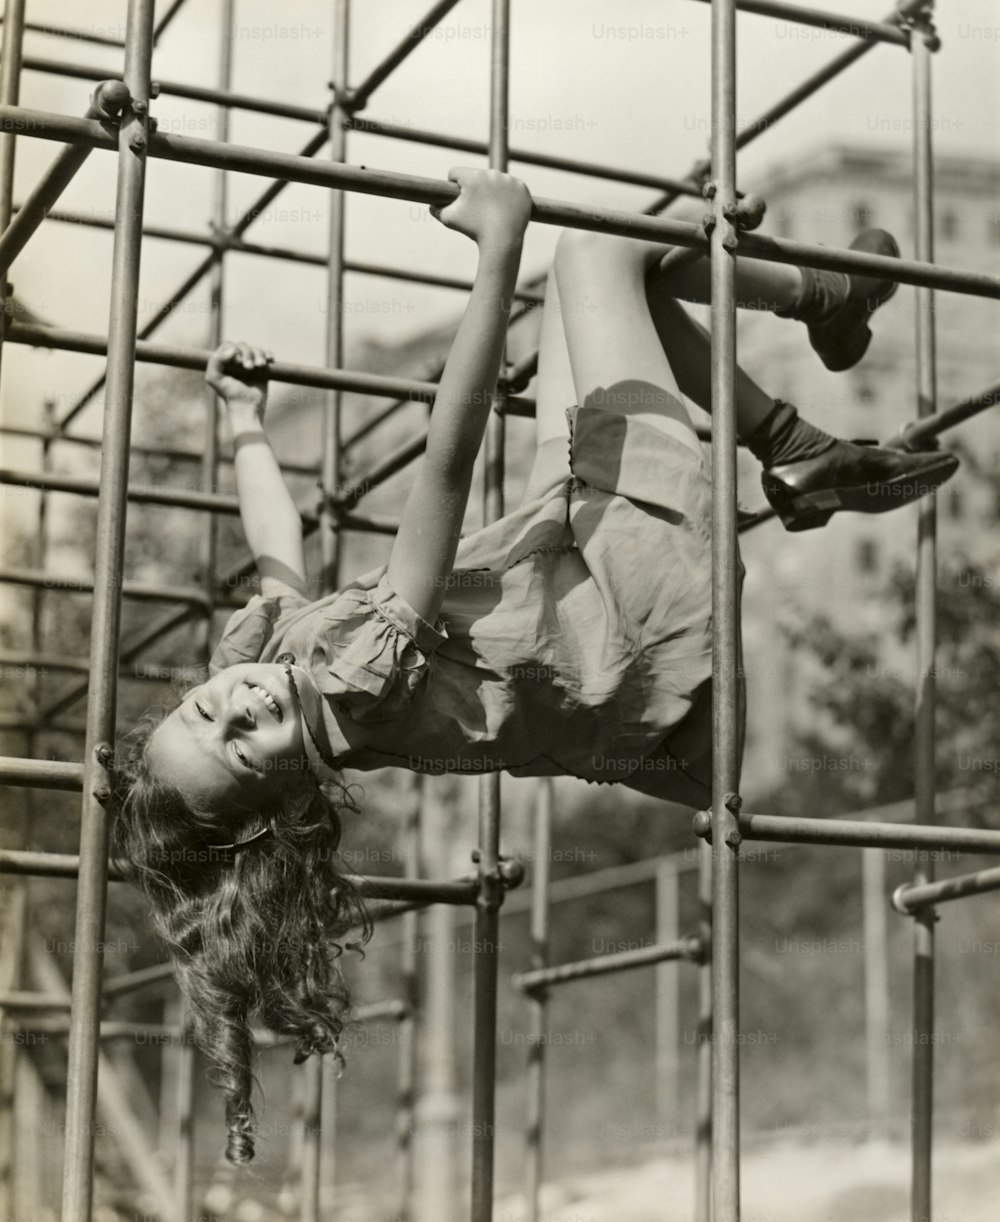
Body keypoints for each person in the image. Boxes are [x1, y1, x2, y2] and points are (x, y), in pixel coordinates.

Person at [113, 168, 958, 1162]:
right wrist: (492, 250)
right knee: (595, 251)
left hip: (569, 556)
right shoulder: (353, 685)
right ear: (286, 790)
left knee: (594, 266)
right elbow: (444, 461)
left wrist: (245, 419)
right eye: (245, 742)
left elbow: (275, 552)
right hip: (637, 598)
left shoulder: (283, 661)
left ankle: (801, 435)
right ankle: (822, 315)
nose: (238, 703)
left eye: (207, 710)